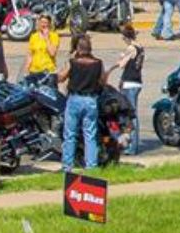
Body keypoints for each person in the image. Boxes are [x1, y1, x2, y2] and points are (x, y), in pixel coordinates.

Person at [58, 35, 132, 172]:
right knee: (90, 135)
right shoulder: (98, 63)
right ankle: (91, 166)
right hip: (91, 100)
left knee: (70, 134)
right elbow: (103, 81)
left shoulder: (72, 62)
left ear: (78, 48)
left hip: (75, 99)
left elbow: (61, 78)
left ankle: (67, 166)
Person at [116, 23, 145, 152]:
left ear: (126, 37)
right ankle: (131, 145)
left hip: (129, 83)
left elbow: (122, 65)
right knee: (132, 114)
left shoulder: (131, 48)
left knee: (130, 115)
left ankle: (131, 146)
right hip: (137, 82)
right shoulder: (141, 48)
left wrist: (121, 58)